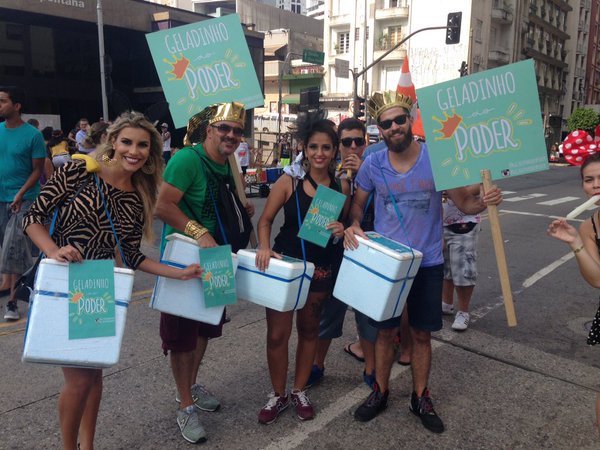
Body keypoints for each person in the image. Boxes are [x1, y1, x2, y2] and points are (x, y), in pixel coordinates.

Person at [23, 111, 203, 450]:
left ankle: (88, 445)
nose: (134, 151)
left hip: (100, 286)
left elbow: (133, 256)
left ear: (152, 152)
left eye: (143, 145)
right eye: (127, 142)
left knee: (94, 373)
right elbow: (34, 217)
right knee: (77, 380)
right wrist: (52, 249)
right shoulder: (80, 170)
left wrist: (179, 273)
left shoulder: (138, 197)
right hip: (67, 282)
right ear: (113, 142)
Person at [343, 90, 502, 433]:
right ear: (380, 130)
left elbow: (465, 203)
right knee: (384, 332)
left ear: (409, 120)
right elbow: (358, 204)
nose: (394, 127)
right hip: (388, 264)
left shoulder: (436, 159)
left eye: (400, 120)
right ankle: (380, 391)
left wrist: (486, 200)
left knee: (421, 335)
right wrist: (354, 224)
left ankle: (419, 397)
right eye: (387, 123)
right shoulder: (373, 164)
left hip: (427, 263)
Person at [154, 102, 255, 444]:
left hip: (218, 258)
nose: (231, 135)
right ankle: (184, 405)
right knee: (182, 336)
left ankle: (191, 388)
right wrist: (200, 233)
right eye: (224, 128)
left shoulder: (228, 162)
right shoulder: (186, 159)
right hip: (185, 258)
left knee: (203, 331)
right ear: (209, 130)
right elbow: (162, 206)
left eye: (237, 131)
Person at [255, 111, 348, 424]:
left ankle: (298, 389)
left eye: (326, 148)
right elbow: (265, 221)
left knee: (309, 331)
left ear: (334, 151)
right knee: (277, 336)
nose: (319, 154)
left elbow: (342, 229)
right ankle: (278, 394)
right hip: (286, 268)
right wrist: (265, 247)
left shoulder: (340, 188)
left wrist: (340, 230)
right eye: (313, 147)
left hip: (319, 269)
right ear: (304, 149)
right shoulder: (290, 181)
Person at [307, 117, 378, 389]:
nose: (352, 147)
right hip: (337, 256)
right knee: (329, 312)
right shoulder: (332, 176)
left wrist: (363, 174)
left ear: (365, 142)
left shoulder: (376, 169)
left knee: (367, 315)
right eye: (346, 142)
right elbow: (318, 223)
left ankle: (371, 369)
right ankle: (317, 364)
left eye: (358, 141)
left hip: (368, 253)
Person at [547, 153, 600, 434]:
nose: (595, 185)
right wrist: (575, 241)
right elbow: (596, 279)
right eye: (589, 180)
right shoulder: (589, 226)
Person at [0, 86, 46, 320]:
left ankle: (12, 303)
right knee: (6, 249)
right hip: (1, 198)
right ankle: (32, 285)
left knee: (14, 249)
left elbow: (38, 170)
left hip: (24, 200)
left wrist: (20, 194)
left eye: (2, 101)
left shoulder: (33, 135)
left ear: (16, 106)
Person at [441, 185, 482, 331]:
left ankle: (463, 312)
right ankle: (446, 303)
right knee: (446, 266)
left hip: (465, 221)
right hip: (441, 219)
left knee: (463, 267)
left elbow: (481, 184)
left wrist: (454, 192)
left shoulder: (472, 162)